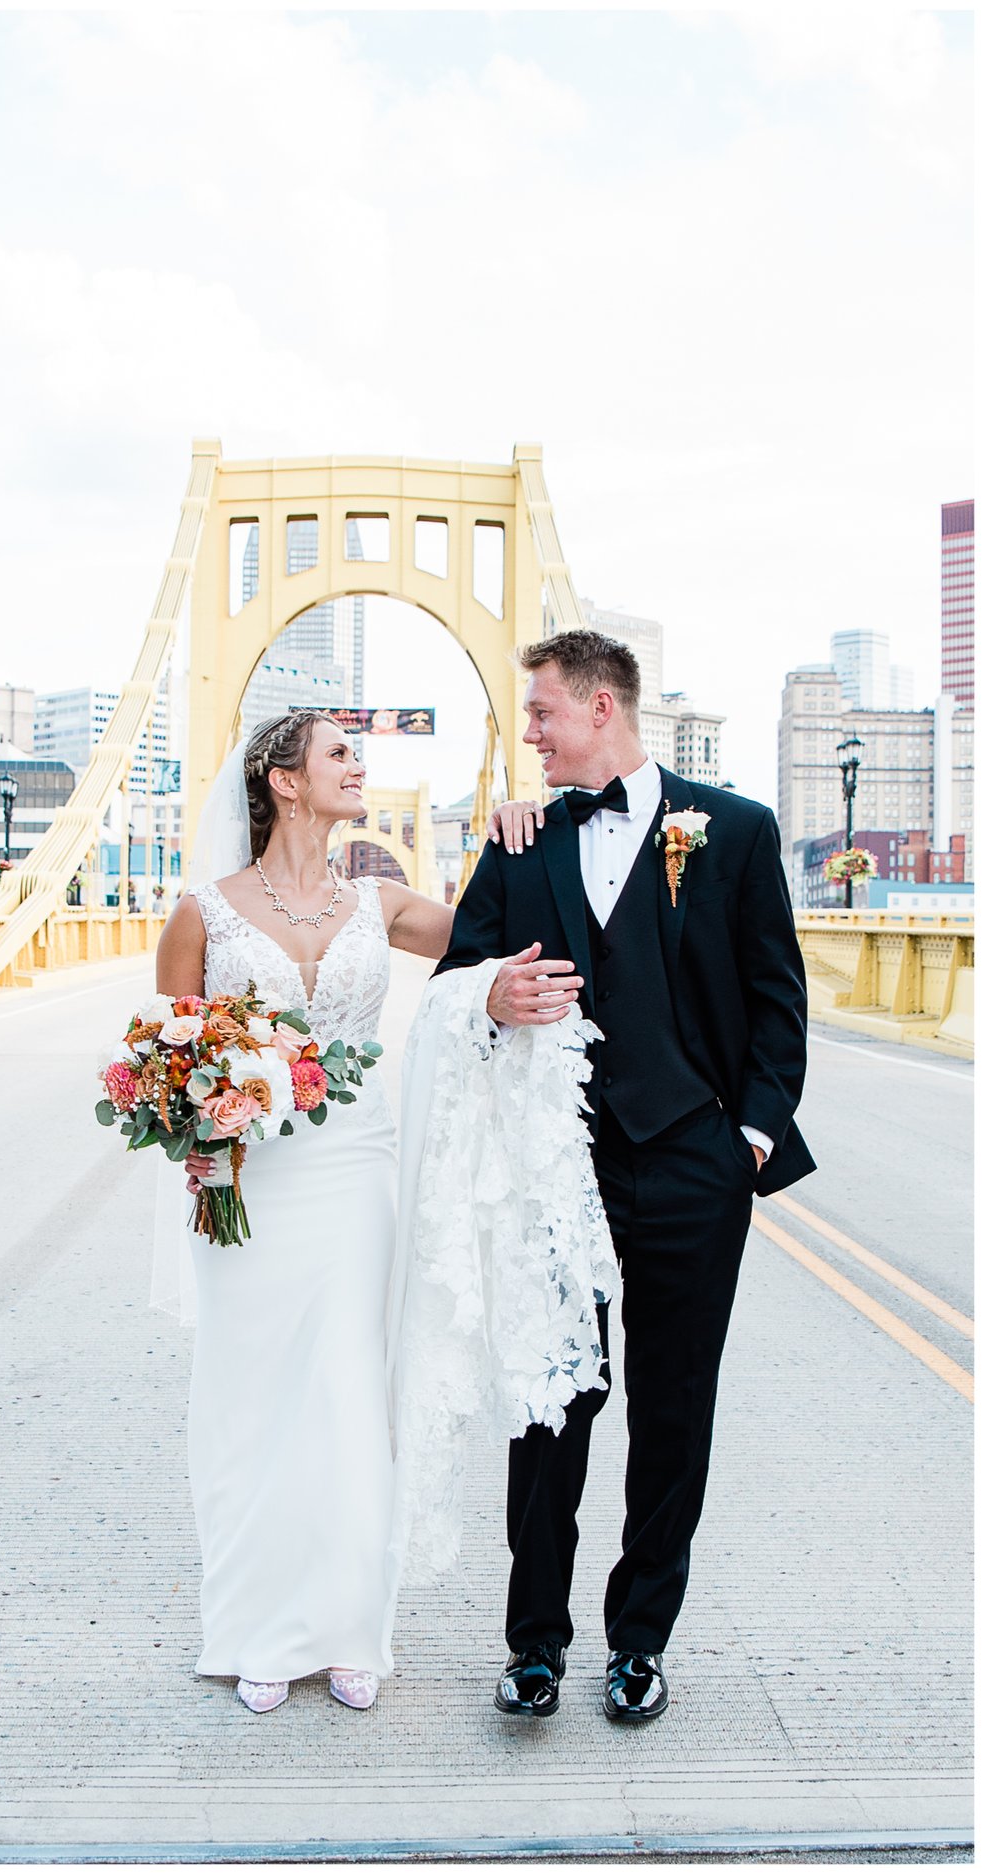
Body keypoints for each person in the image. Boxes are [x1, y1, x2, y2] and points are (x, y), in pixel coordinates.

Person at [432, 628, 810, 1724]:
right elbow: (461, 968)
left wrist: (744, 1139)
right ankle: (533, 1644)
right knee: (550, 1405)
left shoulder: (732, 829)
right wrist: (490, 994)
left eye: (541, 712)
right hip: (556, 1166)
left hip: (696, 1163)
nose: (529, 733)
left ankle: (640, 1640)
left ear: (600, 706)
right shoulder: (517, 841)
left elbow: (776, 999)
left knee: (674, 1409)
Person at [151, 710, 542, 1714]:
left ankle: (348, 1624)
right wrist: (207, 1147)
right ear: (284, 780)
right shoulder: (204, 910)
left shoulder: (379, 901)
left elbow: (490, 944)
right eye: (336, 753)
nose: (356, 767)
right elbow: (169, 1056)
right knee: (253, 1394)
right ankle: (256, 1627)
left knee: (347, 1388)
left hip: (359, 1166)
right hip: (250, 1182)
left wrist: (510, 831)